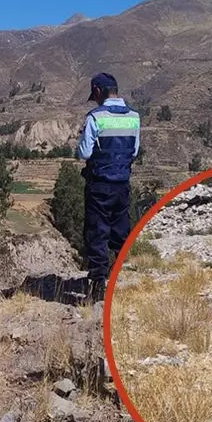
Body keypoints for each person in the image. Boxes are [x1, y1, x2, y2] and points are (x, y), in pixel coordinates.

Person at [76, 72, 141, 303]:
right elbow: (133, 152)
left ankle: (98, 286)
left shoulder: (95, 117)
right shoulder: (134, 117)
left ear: (97, 92)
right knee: (120, 231)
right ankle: (118, 275)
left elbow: (84, 152)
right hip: (122, 185)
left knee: (96, 233)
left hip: (99, 185)